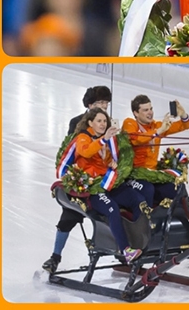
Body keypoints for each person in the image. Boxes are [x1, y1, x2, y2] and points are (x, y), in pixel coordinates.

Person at [42, 85, 112, 273]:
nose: (104, 106)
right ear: (90, 105)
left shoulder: (109, 123)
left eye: (106, 103)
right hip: (82, 179)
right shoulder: (77, 124)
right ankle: (55, 257)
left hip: (104, 180)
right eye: (100, 103)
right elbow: (72, 150)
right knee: (68, 217)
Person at [72, 107, 146, 263]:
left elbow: (104, 160)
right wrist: (103, 139)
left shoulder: (107, 140)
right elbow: (86, 152)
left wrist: (111, 164)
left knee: (138, 200)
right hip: (94, 191)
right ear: (90, 122)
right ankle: (126, 250)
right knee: (112, 210)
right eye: (99, 121)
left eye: (105, 121)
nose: (102, 124)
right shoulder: (83, 137)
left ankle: (142, 240)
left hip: (110, 185)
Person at [122, 95, 189, 208]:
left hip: (153, 173)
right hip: (134, 175)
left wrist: (183, 114)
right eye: (145, 110)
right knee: (148, 189)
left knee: (176, 188)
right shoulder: (130, 123)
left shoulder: (156, 126)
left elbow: (185, 125)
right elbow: (136, 139)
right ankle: (146, 222)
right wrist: (158, 132)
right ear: (136, 113)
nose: (150, 113)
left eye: (151, 109)